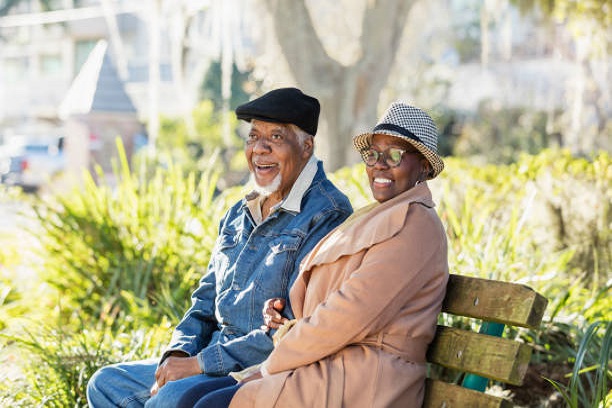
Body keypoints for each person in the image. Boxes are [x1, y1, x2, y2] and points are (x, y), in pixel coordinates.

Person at [86, 87, 353, 408]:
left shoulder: (327, 213)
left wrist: (199, 366)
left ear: (306, 146)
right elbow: (205, 299)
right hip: (208, 358)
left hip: (260, 369)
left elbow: (296, 329)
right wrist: (178, 354)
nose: (260, 149)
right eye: (253, 136)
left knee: (169, 400)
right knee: (106, 384)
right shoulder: (239, 212)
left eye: (277, 137)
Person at [178, 102, 450, 408]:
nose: (379, 165)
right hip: (326, 364)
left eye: (395, 155)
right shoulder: (378, 215)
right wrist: (285, 313)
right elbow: (337, 294)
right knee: (191, 397)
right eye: (372, 154)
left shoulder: (415, 225)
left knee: (205, 404)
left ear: (425, 166)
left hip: (364, 380)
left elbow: (349, 315)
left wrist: (270, 366)